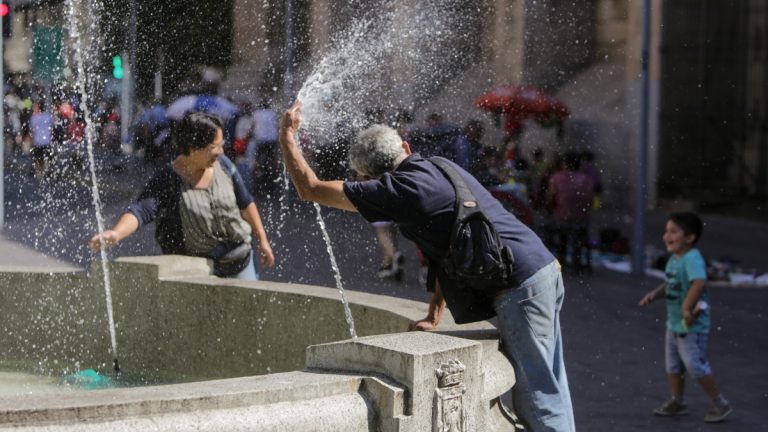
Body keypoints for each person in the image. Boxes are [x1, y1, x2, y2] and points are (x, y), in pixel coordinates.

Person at [278, 101, 574, 431]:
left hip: (519, 284)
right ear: (405, 147)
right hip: (540, 267)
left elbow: (310, 189)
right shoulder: (439, 166)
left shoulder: (400, 192)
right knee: (551, 382)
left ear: (366, 178)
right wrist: (434, 316)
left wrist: (287, 136)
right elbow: (448, 251)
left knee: (538, 397)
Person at [89, 112, 275, 280]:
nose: (221, 152)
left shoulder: (224, 165)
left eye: (222, 145)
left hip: (240, 259)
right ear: (193, 147)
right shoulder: (168, 179)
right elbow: (140, 211)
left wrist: (263, 239)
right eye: (214, 146)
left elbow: (246, 202)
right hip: (198, 270)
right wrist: (116, 233)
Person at [639, 212, 731, 423]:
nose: (666, 236)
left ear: (689, 238)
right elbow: (670, 283)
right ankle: (677, 401)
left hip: (692, 325)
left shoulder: (692, 259)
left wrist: (687, 307)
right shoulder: (675, 258)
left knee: (694, 365)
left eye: (673, 232)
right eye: (666, 231)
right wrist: (655, 294)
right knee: (673, 365)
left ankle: (720, 403)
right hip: (674, 323)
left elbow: (699, 282)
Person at [547, 152, 594, 273]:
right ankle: (576, 264)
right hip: (582, 219)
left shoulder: (556, 177)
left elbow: (551, 198)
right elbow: (590, 200)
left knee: (561, 239)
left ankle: (560, 264)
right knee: (578, 239)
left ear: (564, 164)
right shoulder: (587, 179)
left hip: (562, 218)